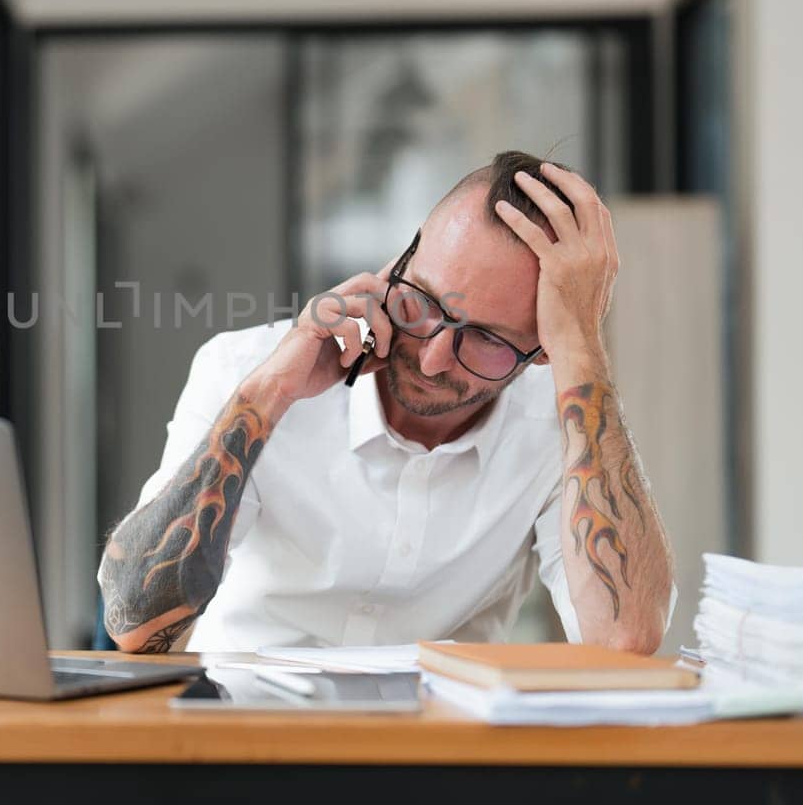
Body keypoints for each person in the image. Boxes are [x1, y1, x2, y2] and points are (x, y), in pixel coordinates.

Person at [97, 151, 675, 654]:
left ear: (542, 351)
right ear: (398, 263)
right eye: (422, 300)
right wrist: (270, 393)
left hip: (438, 757)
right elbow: (135, 624)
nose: (432, 358)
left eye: (487, 339)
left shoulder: (561, 425)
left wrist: (581, 344)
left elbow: (621, 639)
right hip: (245, 738)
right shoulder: (243, 366)